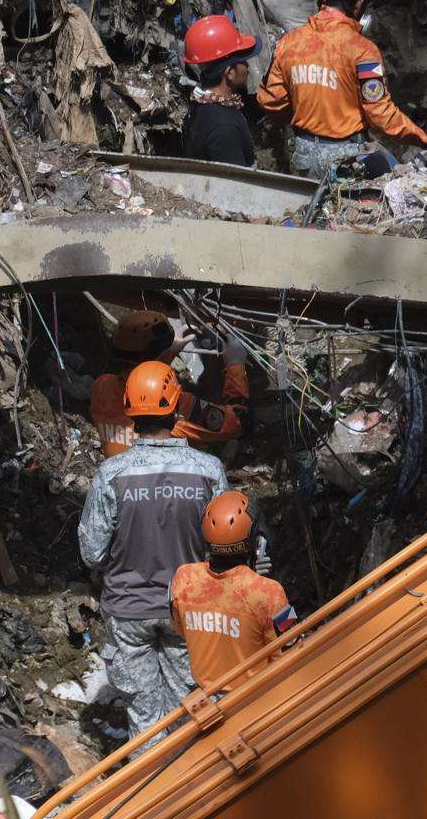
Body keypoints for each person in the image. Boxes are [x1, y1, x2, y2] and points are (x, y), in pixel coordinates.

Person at [77, 360, 228, 740]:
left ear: (129, 410)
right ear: (176, 407)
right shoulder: (209, 471)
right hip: (190, 610)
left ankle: (153, 790)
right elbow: (226, 545)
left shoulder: (111, 474)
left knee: (144, 719)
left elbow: (92, 553)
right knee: (191, 708)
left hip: (128, 612)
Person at [255, 0, 427, 179]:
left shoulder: (289, 42)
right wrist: (423, 137)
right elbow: (380, 113)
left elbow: (270, 100)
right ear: (358, 2)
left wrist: (305, 110)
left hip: (303, 155)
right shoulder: (362, 50)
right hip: (347, 158)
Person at [170, 491, 296, 692]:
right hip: (253, 699)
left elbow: (180, 628)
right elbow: (290, 647)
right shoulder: (270, 592)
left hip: (206, 699)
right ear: (253, 540)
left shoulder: (183, 578)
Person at [89, 311, 248, 458]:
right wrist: (235, 365)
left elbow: (137, 377)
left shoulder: (102, 386)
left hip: (120, 480)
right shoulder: (177, 405)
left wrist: (168, 353)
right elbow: (238, 422)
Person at [181, 13, 260, 167]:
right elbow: (234, 186)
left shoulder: (201, 102)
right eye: (242, 60)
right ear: (229, 73)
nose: (248, 66)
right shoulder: (225, 128)